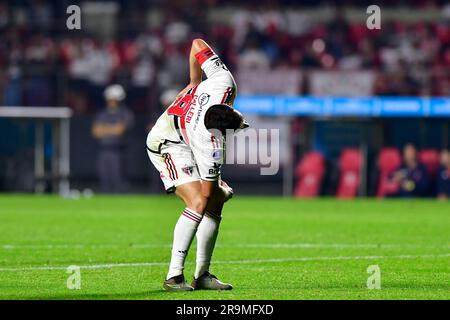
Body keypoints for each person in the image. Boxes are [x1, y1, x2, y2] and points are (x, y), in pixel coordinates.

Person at [146, 39, 248, 291]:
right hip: (167, 142)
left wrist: (194, 81)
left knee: (212, 202)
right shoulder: (211, 144)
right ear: (221, 133)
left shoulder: (223, 80)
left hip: (185, 136)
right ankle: (173, 277)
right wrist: (226, 191)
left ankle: (202, 275)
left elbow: (196, 44)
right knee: (200, 202)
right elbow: (208, 190)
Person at [92, 84, 134, 193]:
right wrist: (112, 128)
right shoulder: (102, 113)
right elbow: (95, 132)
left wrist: (104, 128)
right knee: (104, 180)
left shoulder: (125, 113)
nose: (111, 101)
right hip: (102, 150)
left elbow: (119, 131)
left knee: (118, 180)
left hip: (118, 151)